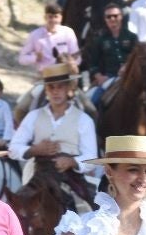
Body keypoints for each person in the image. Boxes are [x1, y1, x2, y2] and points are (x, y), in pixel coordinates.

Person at [9, 62, 100, 195]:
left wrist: (72, 161)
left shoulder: (84, 120)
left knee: (88, 208)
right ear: (46, 90)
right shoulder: (33, 116)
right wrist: (35, 150)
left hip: (70, 176)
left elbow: (91, 157)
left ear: (68, 88)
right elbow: (13, 148)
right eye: (51, 87)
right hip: (38, 173)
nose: (56, 91)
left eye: (60, 87)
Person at [83, 3, 139, 108]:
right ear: (105, 19)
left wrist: (127, 66)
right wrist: (99, 77)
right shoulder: (100, 40)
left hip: (132, 78)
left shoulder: (132, 37)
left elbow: (138, 58)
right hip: (109, 78)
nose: (112, 19)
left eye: (115, 16)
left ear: (121, 16)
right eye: (109, 17)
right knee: (92, 103)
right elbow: (92, 64)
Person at [18, 4, 81, 73]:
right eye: (50, 17)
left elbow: (77, 56)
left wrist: (71, 62)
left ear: (61, 18)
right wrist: (35, 57)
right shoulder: (35, 35)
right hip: (45, 75)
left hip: (65, 73)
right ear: (45, 17)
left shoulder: (68, 32)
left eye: (56, 17)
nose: (53, 20)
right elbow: (22, 59)